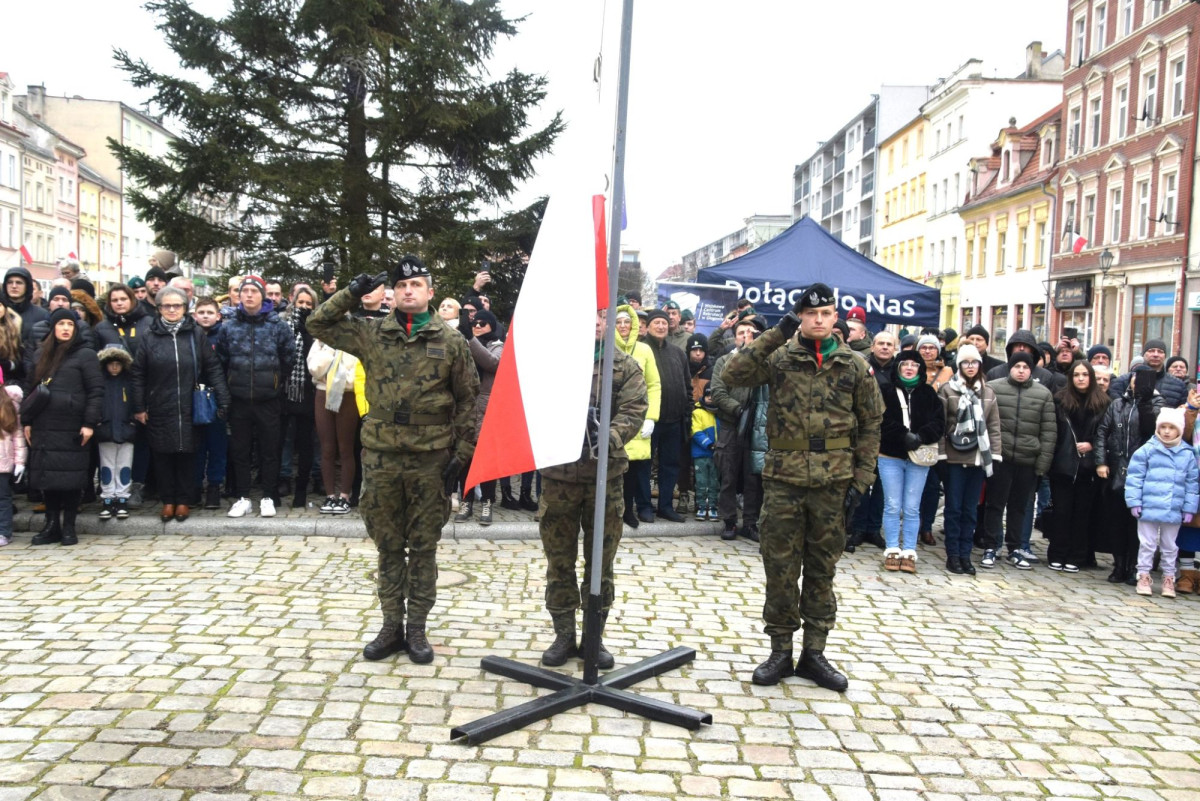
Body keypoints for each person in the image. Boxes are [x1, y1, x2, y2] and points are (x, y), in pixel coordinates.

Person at [306, 257, 478, 664]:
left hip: (430, 459)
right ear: (391, 293)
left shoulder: (451, 340)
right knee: (387, 545)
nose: (408, 291)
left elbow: (468, 400)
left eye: (416, 284)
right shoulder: (371, 333)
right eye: (401, 285)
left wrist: (462, 454)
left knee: (423, 546)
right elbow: (317, 324)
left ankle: (416, 627)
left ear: (430, 292)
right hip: (382, 456)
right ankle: (390, 625)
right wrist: (351, 292)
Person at [721, 283, 883, 691]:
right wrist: (777, 332)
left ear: (835, 317)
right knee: (779, 567)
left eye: (826, 314)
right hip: (784, 481)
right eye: (811, 314)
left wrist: (862, 478)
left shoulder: (853, 365)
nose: (819, 320)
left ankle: (814, 652)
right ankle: (780, 650)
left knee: (822, 569)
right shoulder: (780, 357)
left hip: (833, 482)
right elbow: (733, 374)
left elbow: (871, 423)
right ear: (801, 317)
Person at [537, 309, 648, 669]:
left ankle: (593, 637)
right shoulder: (554, 361)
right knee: (559, 560)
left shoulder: (625, 366)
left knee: (601, 563)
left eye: (602, 316)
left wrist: (608, 436)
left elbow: (634, 409)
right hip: (559, 477)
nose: (596, 322)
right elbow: (533, 403)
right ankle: (563, 635)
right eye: (589, 315)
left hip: (605, 477)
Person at [131, 287, 231, 523]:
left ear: (185, 308)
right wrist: (139, 406)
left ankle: (184, 500)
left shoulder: (195, 334)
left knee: (188, 452)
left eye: (177, 305)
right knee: (163, 454)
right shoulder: (149, 336)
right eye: (167, 306)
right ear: (159, 309)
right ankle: (168, 501)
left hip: (190, 403)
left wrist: (223, 398)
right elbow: (138, 373)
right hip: (159, 403)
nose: (172, 310)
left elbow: (212, 367)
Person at [215, 276, 296, 518]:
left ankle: (268, 496)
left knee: (269, 450)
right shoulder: (229, 326)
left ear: (263, 295)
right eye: (245, 291)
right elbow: (221, 359)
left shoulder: (278, 325)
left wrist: (275, 382)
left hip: (268, 399)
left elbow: (288, 358)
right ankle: (243, 497)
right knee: (240, 451)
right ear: (239, 295)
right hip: (239, 399)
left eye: (254, 291)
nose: (249, 295)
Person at [25, 308, 104, 547]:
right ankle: (51, 526)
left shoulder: (86, 354)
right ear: (53, 328)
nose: (66, 328)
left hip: (73, 426)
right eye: (61, 324)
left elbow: (96, 391)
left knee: (71, 478)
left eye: (70, 324)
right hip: (44, 425)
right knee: (48, 477)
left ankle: (69, 526)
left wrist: (89, 423)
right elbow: (31, 390)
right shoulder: (41, 354)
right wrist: (27, 421)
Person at [982, 351, 1056, 570]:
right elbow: (984, 423)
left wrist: (1042, 464)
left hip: (1027, 460)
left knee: (1019, 507)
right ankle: (991, 546)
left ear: (1031, 370)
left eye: (1025, 367)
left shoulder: (1043, 394)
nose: (1021, 371)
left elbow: (1048, 432)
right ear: (1010, 368)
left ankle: (1014, 548)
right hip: (1000, 458)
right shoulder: (993, 388)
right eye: (1017, 366)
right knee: (994, 504)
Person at [877, 349, 945, 574]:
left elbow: (939, 422)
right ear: (898, 367)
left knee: (912, 507)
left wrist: (921, 436)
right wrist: (902, 435)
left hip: (918, 457)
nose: (909, 368)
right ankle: (892, 548)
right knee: (892, 505)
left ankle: (908, 551)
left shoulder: (928, 393)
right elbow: (880, 420)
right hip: (890, 456)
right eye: (905, 364)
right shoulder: (886, 391)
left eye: (914, 365)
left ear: (920, 368)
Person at [1095, 365, 1163, 583]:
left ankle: (1134, 566)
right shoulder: (1117, 404)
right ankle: (1119, 565)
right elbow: (1102, 432)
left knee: (1136, 523)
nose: (1138, 381)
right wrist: (1101, 462)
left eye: (1144, 378)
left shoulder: (1158, 403)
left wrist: (1145, 401)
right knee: (1115, 520)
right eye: (1136, 377)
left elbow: (1152, 430)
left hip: (1142, 472)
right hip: (1116, 468)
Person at [937, 344, 999, 575]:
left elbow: (993, 426)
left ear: (980, 365)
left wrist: (995, 456)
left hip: (978, 458)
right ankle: (953, 555)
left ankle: (965, 554)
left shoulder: (988, 392)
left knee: (970, 510)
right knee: (954, 509)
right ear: (959, 365)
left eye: (974, 362)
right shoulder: (947, 390)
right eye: (965, 362)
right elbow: (941, 425)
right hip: (954, 457)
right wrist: (941, 455)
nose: (970, 366)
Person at [1125, 407, 1199, 597]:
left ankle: (1169, 578)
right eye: (1163, 427)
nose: (1166, 431)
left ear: (1179, 430)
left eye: (1171, 428)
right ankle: (1143, 575)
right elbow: (1134, 478)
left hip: (1173, 508)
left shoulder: (1187, 454)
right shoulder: (1147, 450)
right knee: (1147, 544)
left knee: (1170, 546)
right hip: (1148, 506)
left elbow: (1192, 483)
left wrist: (1189, 508)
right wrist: (1134, 502)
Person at [1047, 360, 1109, 573]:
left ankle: (1076, 556)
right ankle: (1057, 554)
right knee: (1061, 512)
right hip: (1063, 464)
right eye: (1076, 375)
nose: (1081, 379)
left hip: (1088, 467)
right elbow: (1053, 431)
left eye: (1085, 375)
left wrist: (1092, 445)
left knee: (1082, 514)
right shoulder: (1060, 400)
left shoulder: (1104, 402)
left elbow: (1106, 432)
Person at [709, 317, 766, 541]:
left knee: (753, 478)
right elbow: (718, 391)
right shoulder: (724, 361)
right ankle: (729, 521)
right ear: (735, 337)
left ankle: (750, 523)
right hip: (731, 425)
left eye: (751, 332)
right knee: (728, 475)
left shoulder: (765, 362)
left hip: (757, 429)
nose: (745, 336)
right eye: (742, 332)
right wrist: (738, 410)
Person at [454, 309, 504, 526]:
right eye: (474, 323)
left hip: (487, 410)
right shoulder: (464, 343)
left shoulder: (498, 345)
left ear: (492, 326)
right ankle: (466, 502)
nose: (477, 326)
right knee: (464, 458)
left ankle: (487, 501)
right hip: (465, 408)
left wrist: (471, 339)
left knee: (486, 460)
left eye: (483, 323)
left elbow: (492, 362)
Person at [613, 305, 660, 530]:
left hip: (637, 415)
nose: (623, 326)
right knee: (613, 466)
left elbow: (654, 384)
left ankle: (629, 509)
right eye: (618, 322)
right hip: (613, 416)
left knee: (634, 468)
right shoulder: (606, 347)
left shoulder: (644, 349)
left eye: (627, 321)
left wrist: (651, 417)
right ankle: (613, 509)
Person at [307, 326, 361, 516]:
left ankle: (345, 495)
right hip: (323, 393)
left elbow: (355, 371)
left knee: (346, 447)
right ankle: (330, 495)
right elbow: (315, 369)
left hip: (348, 395)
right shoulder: (321, 340)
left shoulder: (354, 337)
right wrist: (330, 348)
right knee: (327, 447)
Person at [643, 308, 690, 522]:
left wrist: (686, 412)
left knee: (670, 465)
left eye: (664, 323)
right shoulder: (642, 349)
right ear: (648, 327)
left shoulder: (678, 353)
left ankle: (665, 506)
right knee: (644, 465)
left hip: (674, 420)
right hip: (649, 420)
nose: (661, 326)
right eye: (657, 323)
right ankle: (644, 506)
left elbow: (687, 386)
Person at [280, 286, 317, 508]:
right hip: (285, 391)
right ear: (293, 302)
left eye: (308, 303)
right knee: (283, 440)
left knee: (306, 442)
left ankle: (302, 488)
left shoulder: (317, 327)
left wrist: (307, 333)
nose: (304, 307)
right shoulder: (283, 324)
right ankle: (283, 479)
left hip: (308, 392)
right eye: (300, 302)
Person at [191, 297, 228, 509]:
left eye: (210, 312)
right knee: (196, 445)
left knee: (217, 444)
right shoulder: (189, 335)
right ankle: (195, 486)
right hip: (193, 396)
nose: (205, 316)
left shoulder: (223, 336)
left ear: (218, 316)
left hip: (216, 396)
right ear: (195, 315)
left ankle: (214, 486)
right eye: (202, 312)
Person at [95, 346, 137, 521]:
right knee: (107, 466)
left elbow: (137, 403)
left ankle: (122, 498)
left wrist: (133, 421)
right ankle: (107, 498)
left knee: (124, 466)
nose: (114, 367)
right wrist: (97, 420)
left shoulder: (130, 383)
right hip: (106, 430)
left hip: (126, 430)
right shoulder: (100, 382)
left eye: (118, 364)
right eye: (111, 363)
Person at [1110, 339, 1187, 407]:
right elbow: (1116, 411)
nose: (1156, 355)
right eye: (1151, 351)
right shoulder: (1122, 382)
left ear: (1165, 356)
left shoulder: (1179, 385)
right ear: (1143, 354)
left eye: (1160, 352)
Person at [0, 379, 25, 546]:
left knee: (3, 498)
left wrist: (20, 461)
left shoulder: (10, 404)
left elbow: (18, 435)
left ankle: (4, 531)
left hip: (3, 462)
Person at [96, 284, 150, 355]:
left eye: (123, 299)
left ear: (132, 300)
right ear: (109, 303)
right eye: (115, 300)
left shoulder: (149, 324)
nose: (119, 303)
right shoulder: (100, 328)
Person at [690, 387, 718, 521]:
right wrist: (708, 443)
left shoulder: (720, 413)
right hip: (701, 453)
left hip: (716, 454)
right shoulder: (698, 412)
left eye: (713, 395)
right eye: (708, 395)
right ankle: (701, 505)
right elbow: (696, 431)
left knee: (714, 481)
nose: (710, 398)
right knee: (701, 481)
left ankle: (713, 506)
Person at [2, 267, 48, 347]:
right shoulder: (1, 312)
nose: (14, 286)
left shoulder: (42, 315)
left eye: (19, 283)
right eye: (10, 282)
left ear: (27, 286)